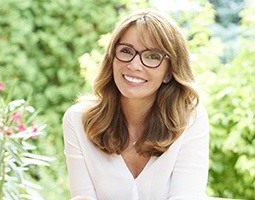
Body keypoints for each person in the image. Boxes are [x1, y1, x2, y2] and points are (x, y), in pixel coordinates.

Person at [63, 8, 209, 200]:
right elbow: (83, 197)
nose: (134, 65)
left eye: (152, 56)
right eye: (126, 51)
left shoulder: (191, 119)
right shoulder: (78, 120)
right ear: (112, 58)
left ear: (169, 72)